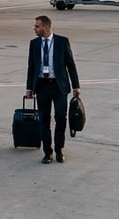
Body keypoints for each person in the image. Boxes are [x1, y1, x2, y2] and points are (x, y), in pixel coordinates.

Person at [24, 15, 81, 164]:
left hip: (58, 86)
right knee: (44, 120)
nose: (34, 29)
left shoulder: (62, 42)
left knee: (61, 119)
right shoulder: (34, 44)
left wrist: (76, 86)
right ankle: (47, 152)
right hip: (42, 86)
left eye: (37, 26)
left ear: (46, 27)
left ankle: (59, 149)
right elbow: (31, 67)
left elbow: (71, 65)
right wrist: (29, 88)